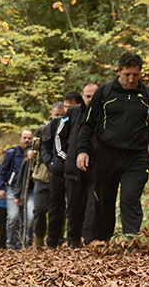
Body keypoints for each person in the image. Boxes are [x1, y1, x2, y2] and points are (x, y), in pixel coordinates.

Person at [76, 52, 149, 241]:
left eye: (135, 75)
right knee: (104, 200)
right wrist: (82, 150)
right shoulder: (105, 92)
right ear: (119, 71)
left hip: (137, 156)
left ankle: (130, 240)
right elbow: (87, 124)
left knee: (130, 198)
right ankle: (102, 240)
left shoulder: (147, 95)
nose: (131, 79)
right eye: (127, 75)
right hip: (107, 154)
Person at [42, 91, 82, 247]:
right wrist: (50, 163)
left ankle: (73, 240)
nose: (66, 110)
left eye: (69, 107)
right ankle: (53, 240)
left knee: (73, 206)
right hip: (58, 170)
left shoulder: (81, 122)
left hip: (75, 171)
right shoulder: (55, 123)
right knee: (55, 207)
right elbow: (46, 145)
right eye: (65, 106)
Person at [62, 81, 99, 247]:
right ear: (82, 96)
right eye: (87, 96)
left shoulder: (105, 113)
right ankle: (73, 240)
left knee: (93, 205)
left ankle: (90, 239)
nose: (90, 99)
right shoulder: (72, 112)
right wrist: (67, 157)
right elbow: (61, 136)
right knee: (74, 206)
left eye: (94, 96)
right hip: (74, 168)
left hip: (96, 167)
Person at [26, 103, 66, 247]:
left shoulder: (68, 128)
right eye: (57, 115)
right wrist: (29, 153)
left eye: (62, 115)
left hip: (61, 174)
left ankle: (58, 239)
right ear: (51, 114)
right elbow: (31, 147)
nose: (59, 118)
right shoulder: (42, 130)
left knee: (60, 209)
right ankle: (39, 238)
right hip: (42, 175)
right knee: (40, 209)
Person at [0, 130, 33, 249]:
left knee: (29, 218)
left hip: (29, 190)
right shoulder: (12, 153)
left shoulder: (35, 154)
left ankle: (23, 244)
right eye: (25, 137)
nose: (27, 140)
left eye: (29, 138)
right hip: (12, 189)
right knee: (13, 217)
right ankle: (10, 245)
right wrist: (1, 188)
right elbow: (3, 171)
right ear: (20, 139)